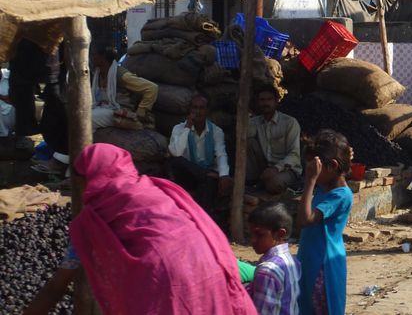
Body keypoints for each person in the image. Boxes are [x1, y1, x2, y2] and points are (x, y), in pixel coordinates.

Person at [23, 143, 257, 315]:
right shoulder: (161, 191)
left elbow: (56, 287)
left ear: (87, 180)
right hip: (208, 274)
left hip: (165, 291)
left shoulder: (94, 222)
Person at [297, 129, 354, 315]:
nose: (312, 172)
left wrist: (309, 181)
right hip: (310, 258)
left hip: (323, 266)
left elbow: (305, 220)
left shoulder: (340, 195)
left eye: (316, 169)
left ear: (331, 167)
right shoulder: (327, 185)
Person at [168, 93, 233, 213]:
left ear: (207, 111)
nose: (197, 111)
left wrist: (224, 175)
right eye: (194, 108)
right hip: (189, 175)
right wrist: (187, 127)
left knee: (209, 182)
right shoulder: (179, 128)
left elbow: (221, 153)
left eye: (201, 108)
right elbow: (176, 152)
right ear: (190, 110)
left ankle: (204, 216)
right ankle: (207, 174)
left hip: (207, 176)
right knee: (176, 161)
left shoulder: (216, 131)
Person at [247, 202, 301, 315]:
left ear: (280, 234)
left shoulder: (267, 270)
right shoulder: (293, 261)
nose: (253, 240)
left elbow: (261, 312)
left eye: (259, 234)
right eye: (251, 234)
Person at [248, 88, 302, 194]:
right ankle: (252, 182)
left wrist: (276, 169)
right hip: (265, 166)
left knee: (273, 184)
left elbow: (294, 155)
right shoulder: (255, 122)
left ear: (276, 101)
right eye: (262, 100)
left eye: (269, 99)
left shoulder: (289, 122)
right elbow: (243, 137)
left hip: (286, 169)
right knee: (249, 142)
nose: (265, 103)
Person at [91, 47, 158, 130]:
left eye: (93, 54)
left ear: (103, 57)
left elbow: (152, 88)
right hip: (102, 107)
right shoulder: (97, 74)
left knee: (87, 119)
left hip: (118, 110)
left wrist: (141, 111)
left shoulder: (122, 75)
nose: (91, 57)